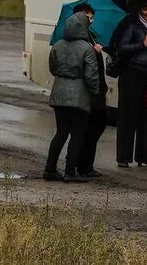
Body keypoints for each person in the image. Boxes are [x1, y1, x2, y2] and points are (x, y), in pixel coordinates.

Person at [44, 11, 100, 182]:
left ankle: (50, 169)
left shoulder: (57, 45)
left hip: (59, 93)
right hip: (79, 95)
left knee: (60, 133)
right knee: (77, 134)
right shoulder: (87, 49)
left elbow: (53, 69)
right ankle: (70, 171)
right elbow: (91, 76)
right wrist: (94, 91)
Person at [114, 0, 147, 168]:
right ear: (140, 10)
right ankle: (123, 156)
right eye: (145, 8)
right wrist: (142, 44)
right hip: (131, 74)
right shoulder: (132, 26)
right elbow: (122, 48)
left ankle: (143, 155)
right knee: (128, 116)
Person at [74, 3, 108, 178]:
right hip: (89, 91)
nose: (90, 20)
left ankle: (87, 165)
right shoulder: (78, 39)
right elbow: (80, 63)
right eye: (87, 16)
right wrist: (93, 52)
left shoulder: (91, 36)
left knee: (99, 124)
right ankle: (82, 166)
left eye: (92, 17)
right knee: (88, 129)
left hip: (98, 90)